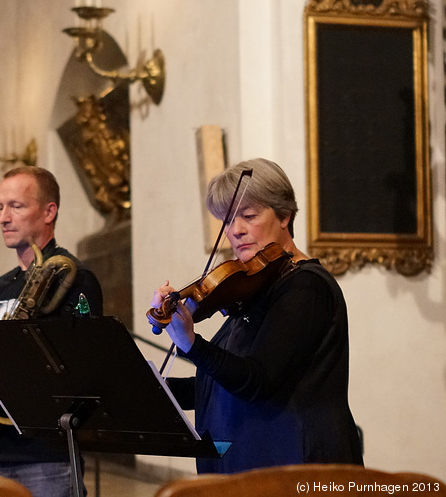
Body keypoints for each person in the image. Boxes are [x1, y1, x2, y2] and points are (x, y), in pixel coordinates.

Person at [149, 158, 363, 474]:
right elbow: (220, 384)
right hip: (255, 469)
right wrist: (149, 388)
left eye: (249, 216)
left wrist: (193, 344)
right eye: (227, 220)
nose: (235, 230)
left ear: (285, 215)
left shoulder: (306, 287)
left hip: (297, 472)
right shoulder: (252, 289)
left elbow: (256, 380)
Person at [0, 166, 103, 497]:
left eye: (16, 206)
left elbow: (83, 369)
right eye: (0, 207)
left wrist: (9, 369)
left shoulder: (75, 278)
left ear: (49, 211)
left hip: (45, 457)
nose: (3, 217)